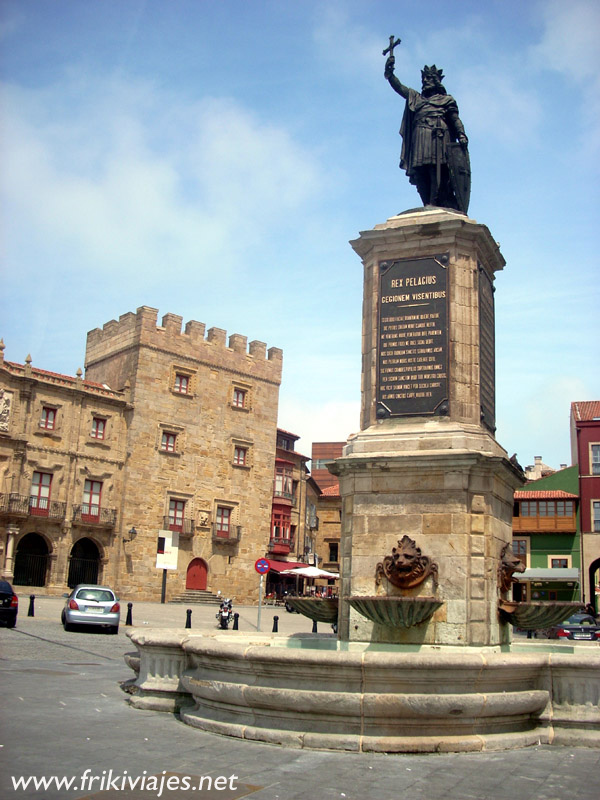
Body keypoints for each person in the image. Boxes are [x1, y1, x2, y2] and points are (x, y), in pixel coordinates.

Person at [384, 54, 470, 212]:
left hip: (438, 137)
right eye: (423, 79)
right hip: (420, 137)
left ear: (436, 81)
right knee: (419, 170)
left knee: (435, 169)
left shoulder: (446, 100)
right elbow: (400, 88)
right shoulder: (416, 98)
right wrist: (390, 73)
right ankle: (426, 203)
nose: (425, 81)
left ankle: (434, 201)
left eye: (428, 78)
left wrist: (461, 134)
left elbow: (455, 119)